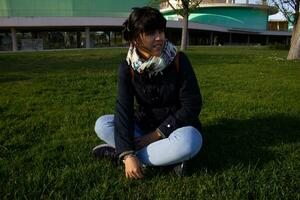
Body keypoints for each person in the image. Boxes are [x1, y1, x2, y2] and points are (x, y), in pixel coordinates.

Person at [93, 6, 203, 179]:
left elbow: (192, 105)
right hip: (143, 127)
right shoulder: (128, 68)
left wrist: (156, 135)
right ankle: (162, 160)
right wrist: (129, 154)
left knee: (190, 141)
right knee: (103, 124)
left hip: (177, 128)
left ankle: (119, 155)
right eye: (151, 33)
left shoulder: (178, 60)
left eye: (161, 31)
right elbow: (123, 109)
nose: (159, 38)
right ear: (136, 38)